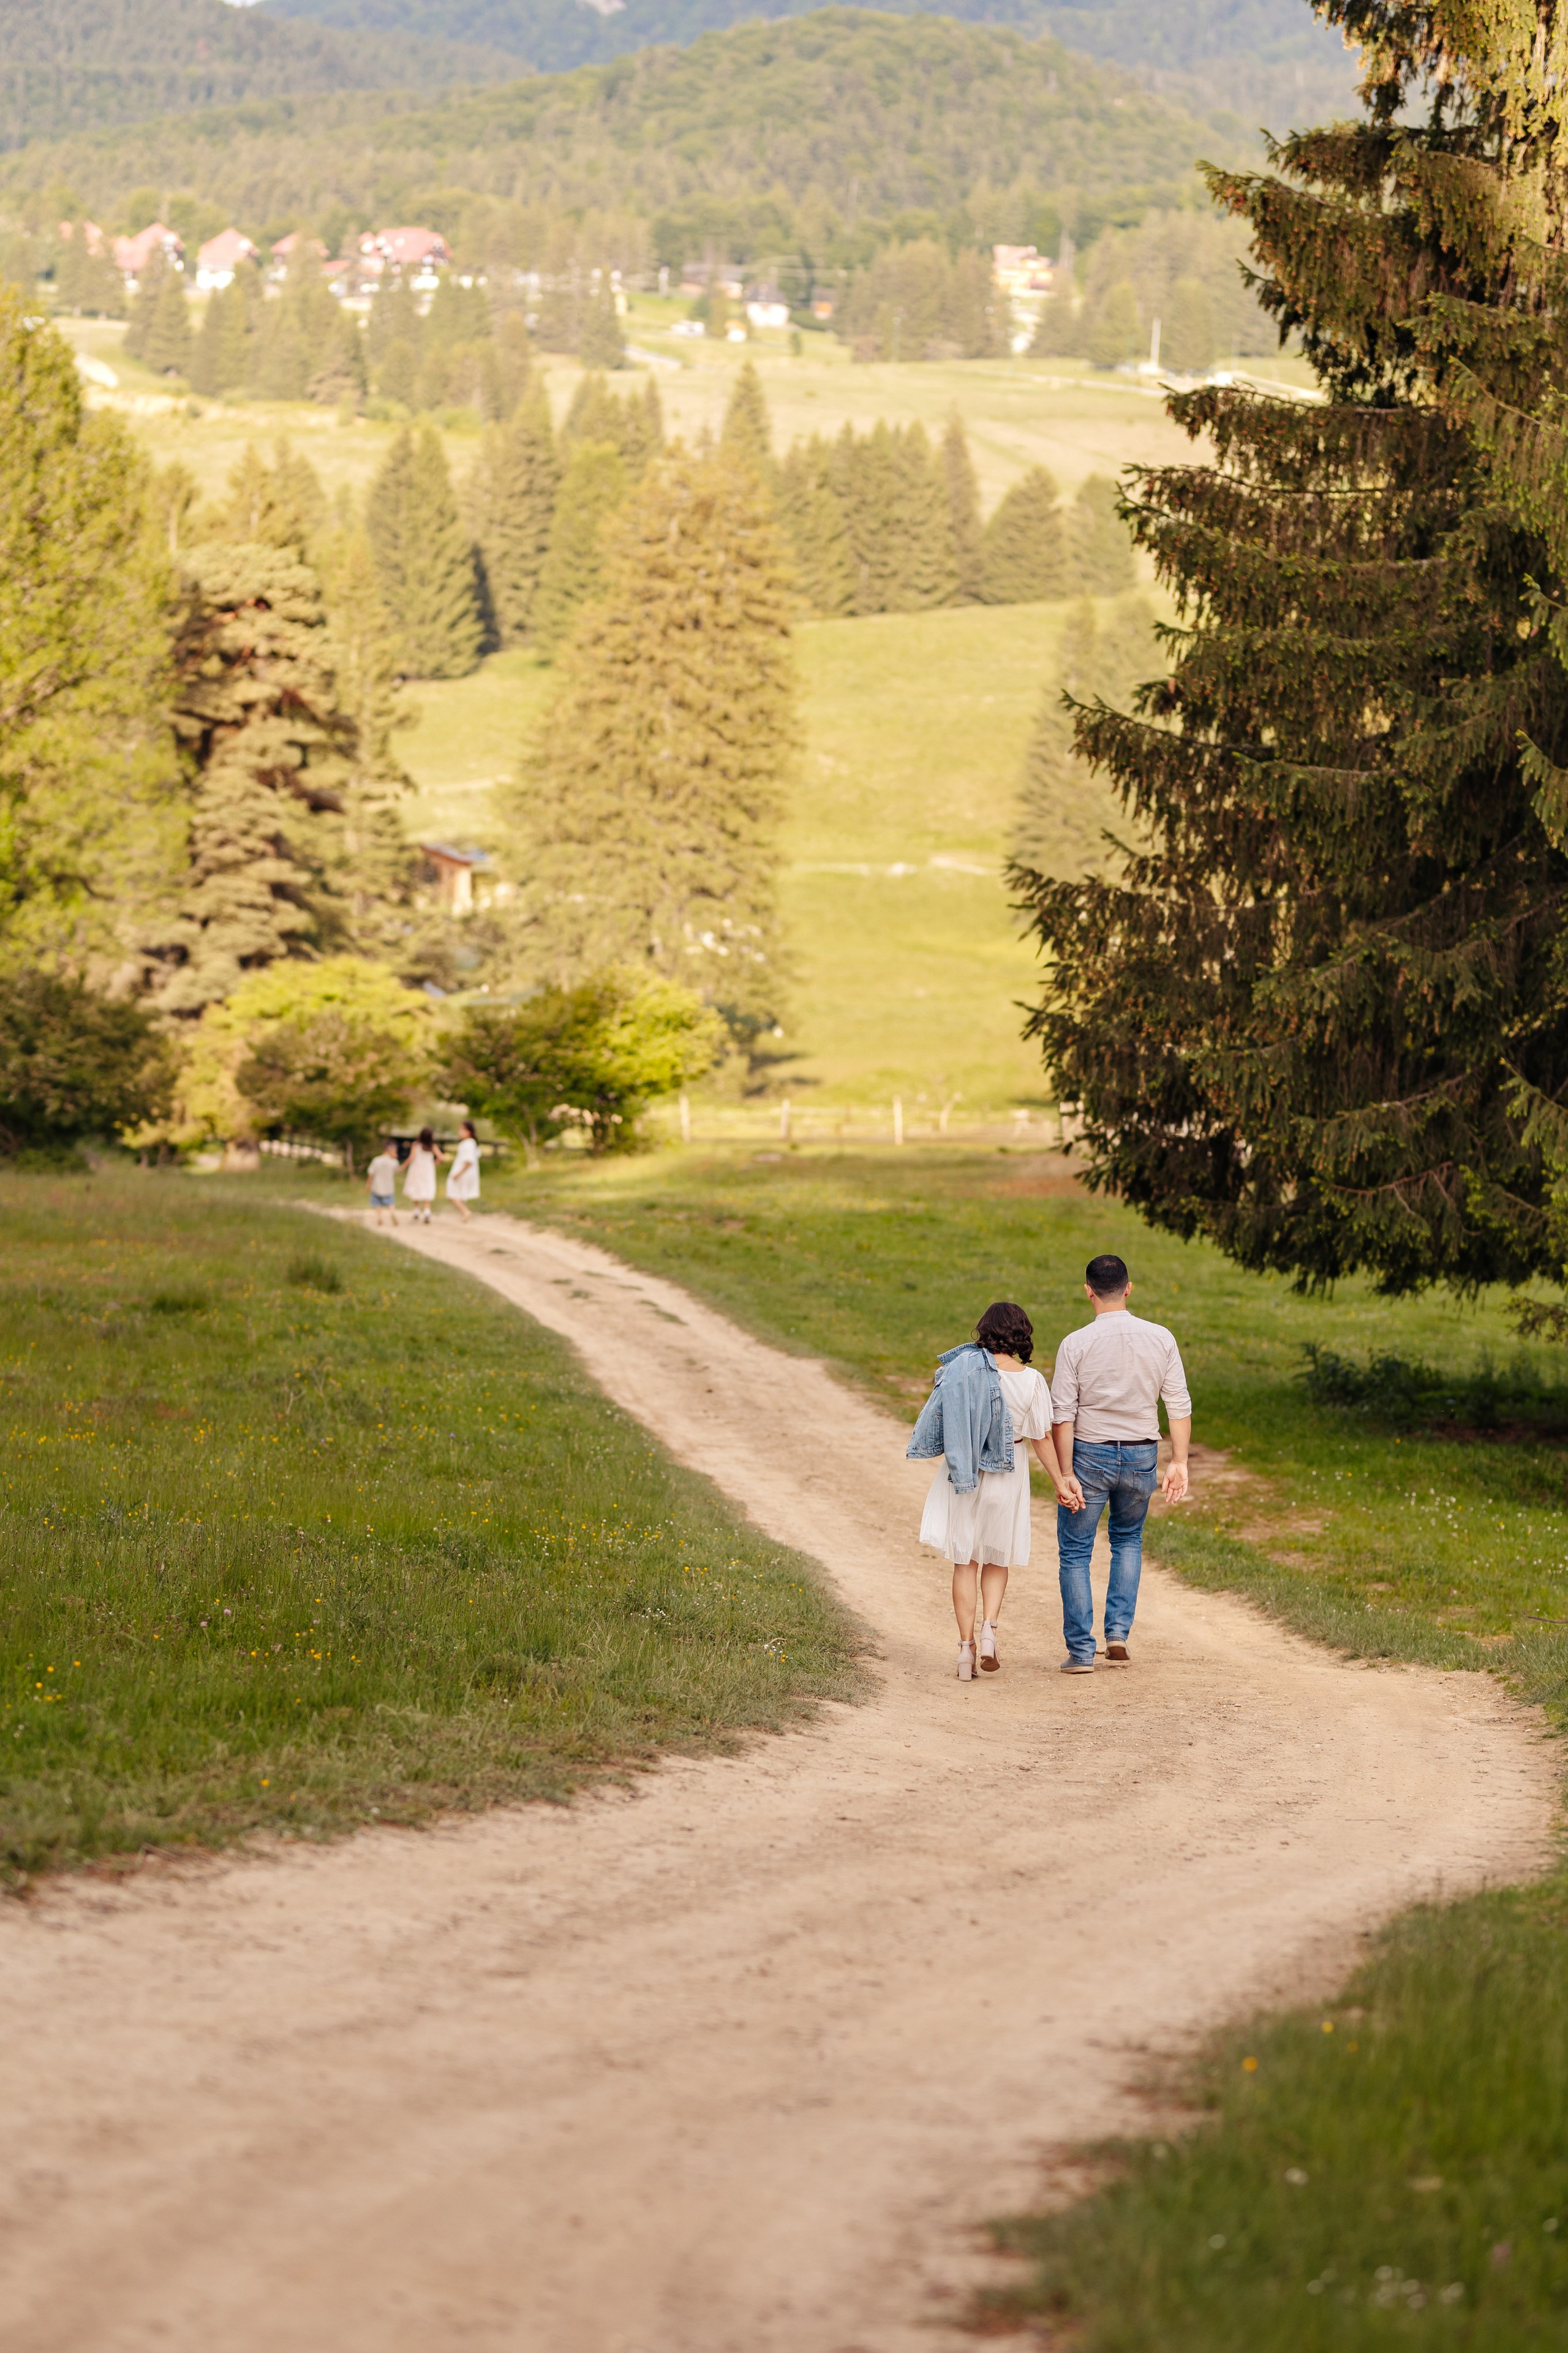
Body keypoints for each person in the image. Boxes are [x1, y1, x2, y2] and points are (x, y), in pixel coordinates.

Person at [908, 1301, 1082, 1682]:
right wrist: (1060, 1481)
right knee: (996, 1557)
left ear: (984, 1332)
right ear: (1021, 1334)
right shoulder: (1032, 1381)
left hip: (965, 1470)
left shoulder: (961, 1372)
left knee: (965, 1559)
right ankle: (990, 1630)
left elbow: (940, 1416)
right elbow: (1040, 1436)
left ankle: (965, 1651)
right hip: (1010, 1471)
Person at [1050, 1253, 1191, 1675]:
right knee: (1128, 1540)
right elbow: (1178, 1404)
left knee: (1076, 1550)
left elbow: (1063, 1414)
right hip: (1142, 1454)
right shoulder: (1161, 1338)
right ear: (1129, 1288)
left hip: (1089, 1453)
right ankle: (1117, 1634)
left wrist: (1065, 1473)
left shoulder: (1075, 1343)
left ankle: (1079, 1652)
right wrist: (1179, 1461)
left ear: (1088, 1291)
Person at [401, 1126, 443, 1225]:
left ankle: (416, 1211)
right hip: (428, 1170)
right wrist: (433, 1163)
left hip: (417, 1169)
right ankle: (427, 1211)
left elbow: (412, 1158)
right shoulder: (432, 1146)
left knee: (417, 1188)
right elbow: (441, 1157)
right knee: (426, 1188)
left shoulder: (416, 1145)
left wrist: (403, 1166)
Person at [445, 1119, 481, 1223]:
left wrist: (458, 1173)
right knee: (461, 1192)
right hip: (466, 1172)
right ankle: (464, 1213)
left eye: (461, 1130)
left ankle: (465, 1212)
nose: (459, 1132)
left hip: (464, 1172)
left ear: (468, 1131)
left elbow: (469, 1161)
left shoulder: (468, 1143)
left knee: (452, 1192)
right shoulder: (471, 1143)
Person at [366, 1139, 400, 1227]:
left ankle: (379, 1218)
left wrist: (368, 1185)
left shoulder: (376, 1160)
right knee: (390, 1203)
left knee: (378, 1204)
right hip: (389, 1187)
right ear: (391, 1151)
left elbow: (371, 1174)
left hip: (377, 1186)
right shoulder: (394, 1162)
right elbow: (398, 1170)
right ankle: (392, 1213)